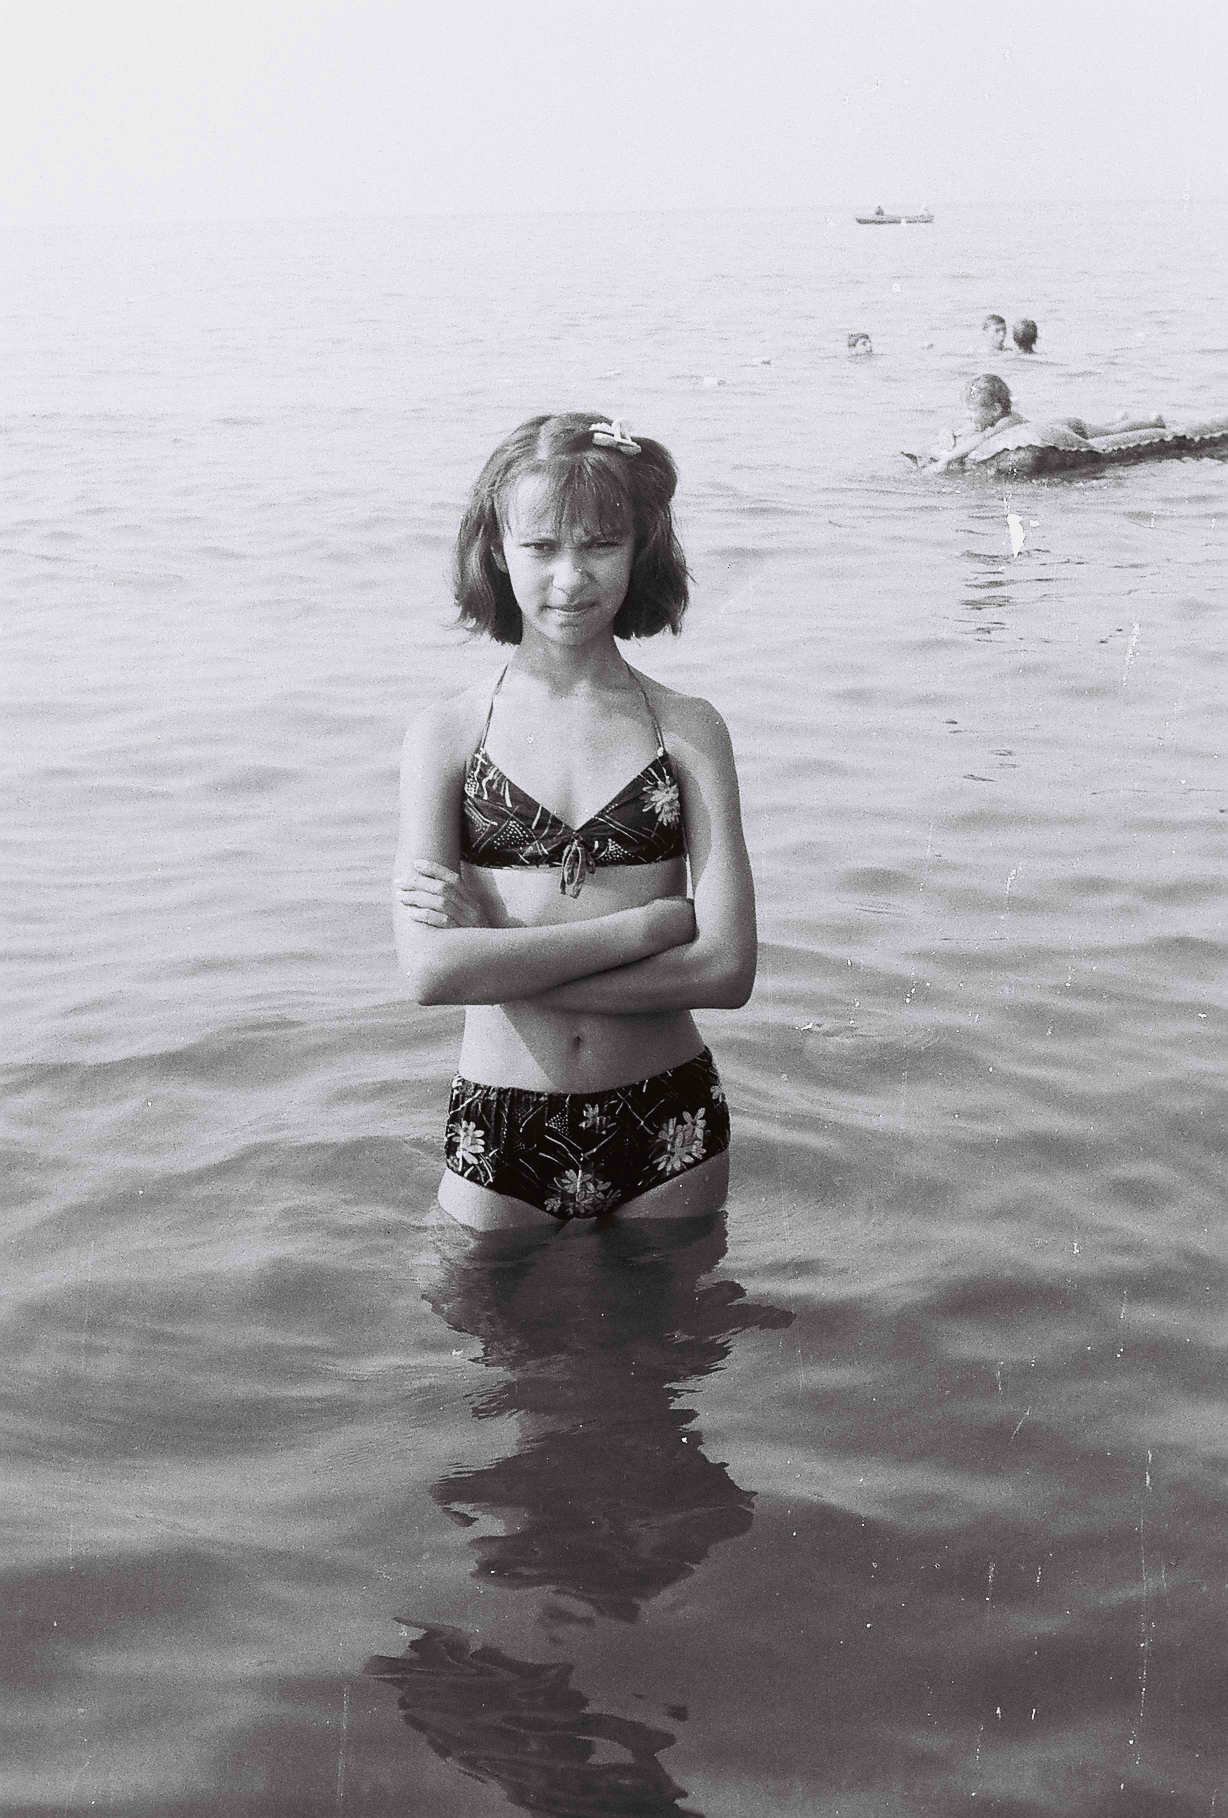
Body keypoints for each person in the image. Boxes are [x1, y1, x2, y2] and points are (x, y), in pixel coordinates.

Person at [394, 412, 757, 1232]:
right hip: (500, 1119)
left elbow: (727, 971)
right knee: (469, 1315)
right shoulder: (448, 735)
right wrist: (647, 928)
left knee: (677, 1321)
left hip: (669, 1119)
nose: (570, 577)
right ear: (497, 550)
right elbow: (430, 974)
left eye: (600, 545)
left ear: (640, 549)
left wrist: (496, 957)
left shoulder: (687, 730)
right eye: (540, 547)